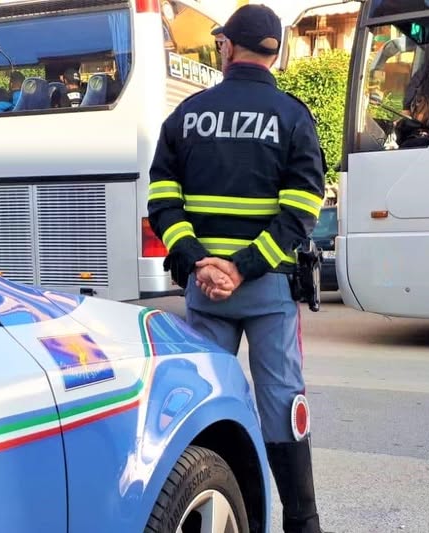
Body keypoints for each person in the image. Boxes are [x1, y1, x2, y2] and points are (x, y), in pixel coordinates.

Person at [147, 5, 329, 533]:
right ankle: (302, 522)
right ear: (275, 51)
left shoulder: (186, 115)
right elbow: (302, 210)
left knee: (204, 402)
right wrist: (243, 267)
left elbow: (162, 200)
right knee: (283, 404)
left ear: (227, 48)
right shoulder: (292, 116)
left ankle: (212, 505)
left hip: (206, 293)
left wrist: (198, 264)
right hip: (269, 290)